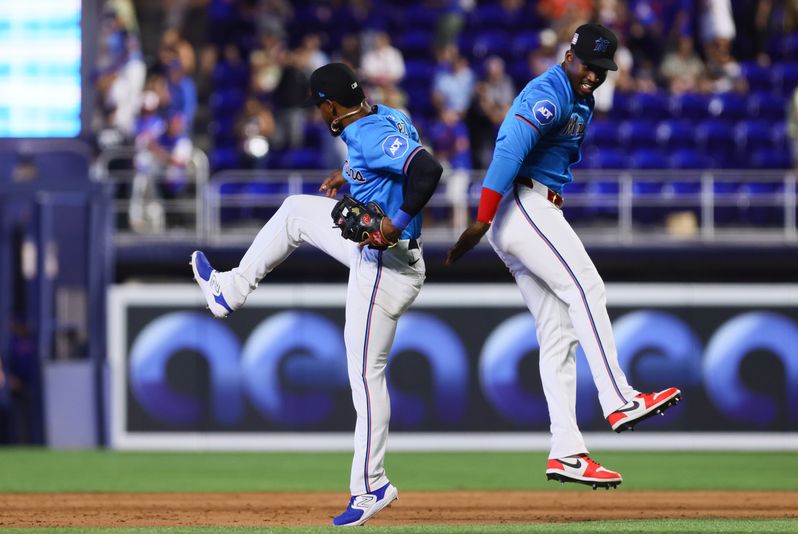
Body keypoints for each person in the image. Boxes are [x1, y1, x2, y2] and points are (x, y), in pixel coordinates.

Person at [191, 63, 443, 525]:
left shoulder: (365, 134)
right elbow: (387, 160)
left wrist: (392, 223)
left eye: (319, 105)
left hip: (386, 265)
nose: (318, 112)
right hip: (388, 257)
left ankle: (371, 487)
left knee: (366, 378)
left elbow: (428, 170)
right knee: (296, 213)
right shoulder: (386, 115)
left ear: (329, 105)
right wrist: (346, 174)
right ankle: (229, 289)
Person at [446, 23, 681, 489]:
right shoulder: (549, 91)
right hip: (519, 203)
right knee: (587, 288)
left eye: (602, 69)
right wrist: (482, 216)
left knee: (558, 334)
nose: (594, 76)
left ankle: (567, 450)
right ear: (569, 55)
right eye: (589, 65)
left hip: (529, 207)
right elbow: (509, 148)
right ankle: (619, 397)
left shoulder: (582, 97)